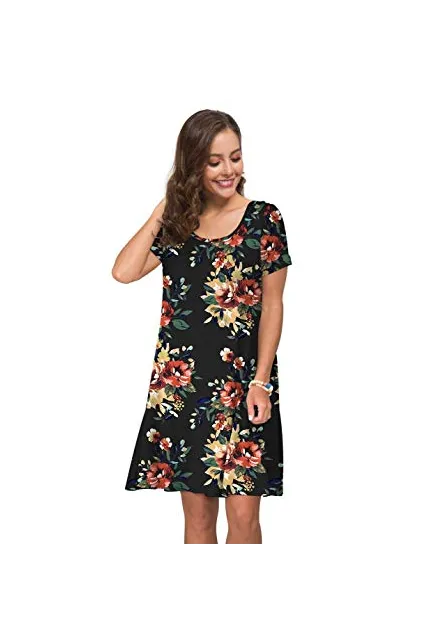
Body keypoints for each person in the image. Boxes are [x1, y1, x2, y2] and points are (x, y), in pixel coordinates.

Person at [112, 109, 293, 544]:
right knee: (196, 522)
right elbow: (124, 271)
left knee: (245, 519)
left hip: (243, 386)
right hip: (184, 387)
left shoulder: (264, 219)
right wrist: (166, 206)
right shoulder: (178, 224)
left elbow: (273, 305)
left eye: (235, 157)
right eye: (214, 161)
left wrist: (261, 382)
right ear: (193, 164)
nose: (229, 170)